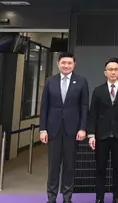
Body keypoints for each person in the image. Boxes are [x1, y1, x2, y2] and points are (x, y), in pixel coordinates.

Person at [39, 52, 89, 203]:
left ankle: (67, 198)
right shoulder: (50, 81)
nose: (66, 66)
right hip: (53, 129)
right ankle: (51, 197)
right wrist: (43, 129)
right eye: (63, 63)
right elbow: (44, 107)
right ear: (58, 64)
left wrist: (82, 128)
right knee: (53, 166)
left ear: (74, 64)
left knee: (69, 165)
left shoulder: (81, 81)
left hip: (72, 130)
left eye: (69, 63)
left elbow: (84, 107)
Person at [89, 57, 118, 203]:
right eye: (110, 69)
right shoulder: (98, 90)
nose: (113, 72)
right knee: (100, 169)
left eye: (115, 69)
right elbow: (93, 114)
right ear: (105, 72)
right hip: (101, 136)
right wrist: (91, 135)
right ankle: (99, 198)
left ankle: (117, 197)